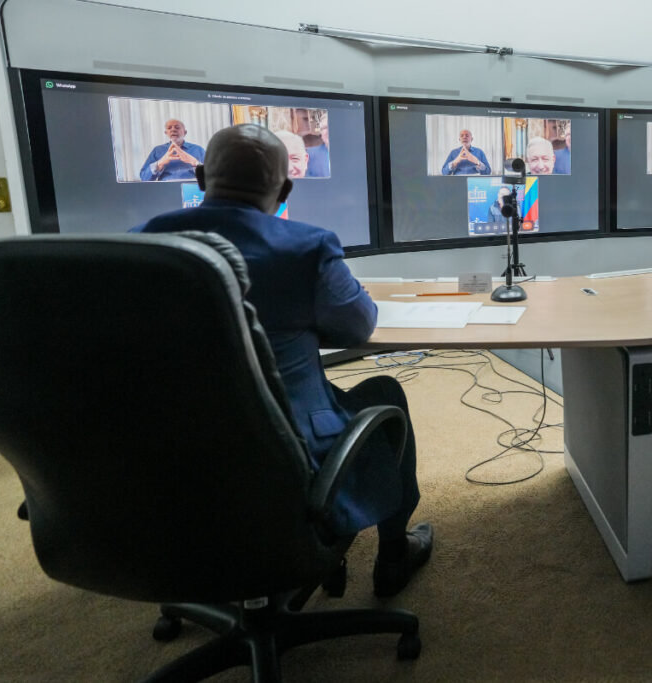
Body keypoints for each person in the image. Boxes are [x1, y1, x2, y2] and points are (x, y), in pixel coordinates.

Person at [131, 124, 433, 597]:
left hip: (174, 449)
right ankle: (393, 553)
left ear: (199, 176)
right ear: (286, 188)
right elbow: (358, 326)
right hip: (283, 452)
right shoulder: (306, 246)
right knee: (384, 392)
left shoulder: (141, 244)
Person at [138, 118, 205, 181]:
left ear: (185, 132)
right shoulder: (157, 150)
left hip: (192, 189)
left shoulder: (198, 150)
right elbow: (144, 178)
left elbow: (212, 175)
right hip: (165, 189)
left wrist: (195, 163)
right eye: (169, 128)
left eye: (177, 127)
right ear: (166, 133)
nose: (173, 130)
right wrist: (159, 163)